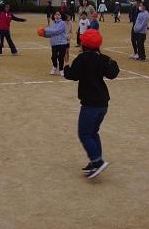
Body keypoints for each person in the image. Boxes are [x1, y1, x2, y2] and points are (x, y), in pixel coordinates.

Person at [64, 29, 119, 179]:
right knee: (93, 132)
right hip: (103, 103)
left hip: (90, 104)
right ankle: (96, 161)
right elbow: (113, 73)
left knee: (84, 133)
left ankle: (97, 161)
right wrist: (110, 60)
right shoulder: (102, 58)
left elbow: (72, 75)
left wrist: (66, 67)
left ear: (84, 44)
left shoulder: (82, 58)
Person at [40, 11, 67, 75]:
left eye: (59, 15)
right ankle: (55, 66)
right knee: (54, 57)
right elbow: (50, 34)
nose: (57, 16)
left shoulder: (62, 23)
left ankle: (61, 69)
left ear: (61, 16)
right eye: (55, 15)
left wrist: (46, 29)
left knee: (61, 57)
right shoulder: (52, 24)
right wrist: (44, 34)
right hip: (54, 43)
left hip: (62, 43)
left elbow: (57, 31)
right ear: (54, 16)